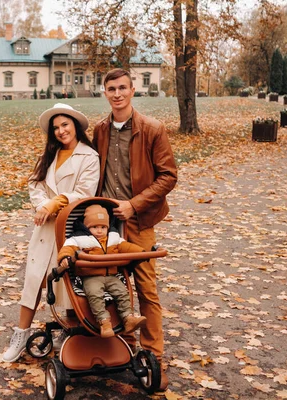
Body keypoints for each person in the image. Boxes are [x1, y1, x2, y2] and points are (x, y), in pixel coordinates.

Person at [92, 68, 178, 391]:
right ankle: (123, 349)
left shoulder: (152, 129)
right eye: (111, 88)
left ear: (133, 89)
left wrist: (134, 204)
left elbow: (168, 176)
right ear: (105, 92)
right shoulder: (100, 130)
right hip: (106, 226)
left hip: (139, 221)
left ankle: (155, 358)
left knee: (146, 289)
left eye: (122, 88)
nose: (117, 94)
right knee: (110, 284)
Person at [2, 103, 100, 362]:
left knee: (68, 283)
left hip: (70, 228)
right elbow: (35, 183)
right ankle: (21, 334)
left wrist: (56, 203)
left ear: (75, 126)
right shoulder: (51, 154)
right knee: (33, 280)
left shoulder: (89, 156)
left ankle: (70, 334)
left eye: (65, 125)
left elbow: (86, 192)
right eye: (56, 128)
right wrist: (42, 205)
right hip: (44, 227)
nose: (60, 131)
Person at [57, 204, 147, 338]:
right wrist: (65, 258)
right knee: (95, 295)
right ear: (87, 227)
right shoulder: (79, 239)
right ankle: (104, 322)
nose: (99, 231)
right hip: (90, 277)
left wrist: (143, 252)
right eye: (95, 227)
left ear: (107, 227)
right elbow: (67, 249)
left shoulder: (113, 238)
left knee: (122, 292)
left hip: (112, 275)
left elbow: (127, 247)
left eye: (103, 227)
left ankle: (128, 318)